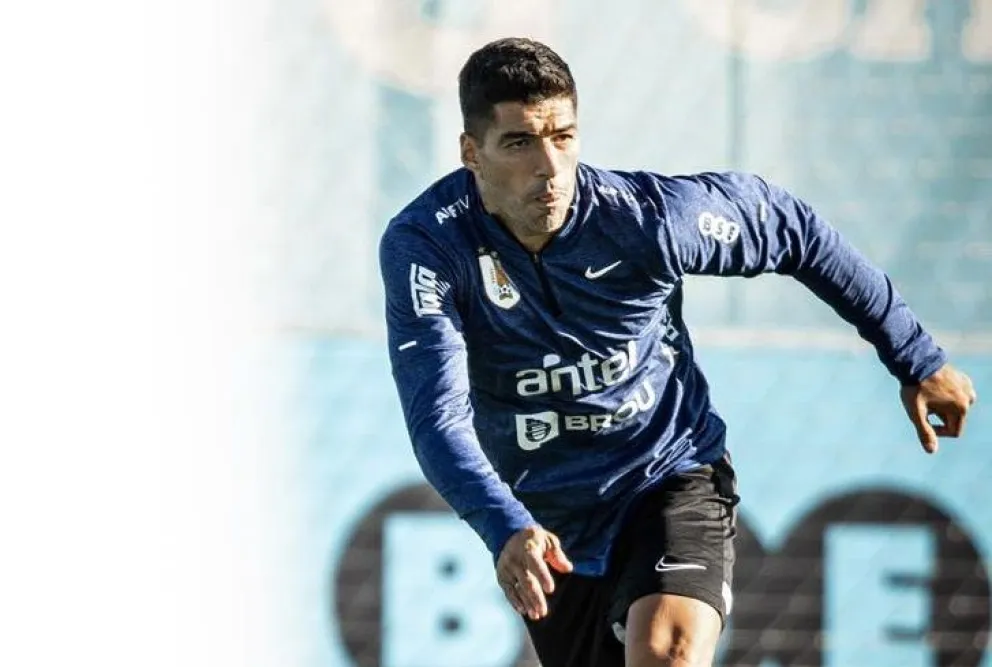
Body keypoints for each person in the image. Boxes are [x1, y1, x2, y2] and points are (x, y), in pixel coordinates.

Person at [377, 37, 977, 667]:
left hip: (667, 473)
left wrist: (917, 358)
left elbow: (791, 228)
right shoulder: (427, 245)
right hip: (550, 525)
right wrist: (504, 526)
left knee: (667, 653)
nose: (549, 166)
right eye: (521, 143)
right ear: (471, 153)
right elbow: (438, 419)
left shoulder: (647, 222)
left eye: (563, 136)